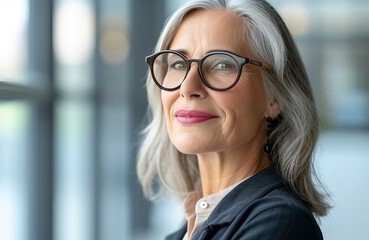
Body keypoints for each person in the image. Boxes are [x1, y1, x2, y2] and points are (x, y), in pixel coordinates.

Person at [136, 0, 330, 239]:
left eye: (222, 64)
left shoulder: (281, 224)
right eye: (178, 63)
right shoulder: (185, 232)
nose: (187, 87)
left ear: (274, 98)